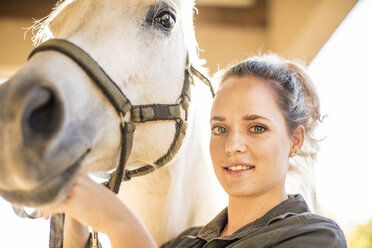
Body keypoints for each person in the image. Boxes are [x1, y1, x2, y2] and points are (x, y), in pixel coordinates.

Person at [40, 54, 347, 248]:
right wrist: (78, 214)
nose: (233, 145)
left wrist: (117, 220)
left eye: (257, 128)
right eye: (220, 129)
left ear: (295, 141)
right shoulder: (186, 242)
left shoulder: (316, 237)